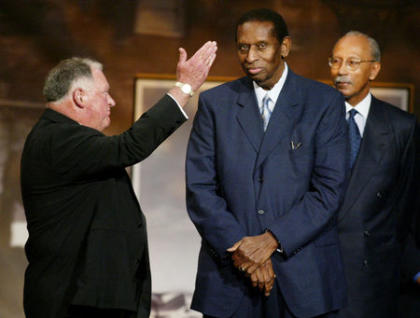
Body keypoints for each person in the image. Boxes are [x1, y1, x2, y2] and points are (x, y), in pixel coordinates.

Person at [20, 41, 217, 318]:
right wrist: (185, 88)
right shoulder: (57, 138)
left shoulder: (62, 138)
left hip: (89, 297)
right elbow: (129, 147)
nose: (111, 101)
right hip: (73, 300)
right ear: (80, 97)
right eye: (105, 93)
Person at [186, 8, 348, 318]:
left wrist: (272, 240)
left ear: (284, 47)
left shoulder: (323, 103)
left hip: (304, 279)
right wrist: (243, 250)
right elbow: (200, 189)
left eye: (262, 46)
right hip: (229, 278)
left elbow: (329, 190)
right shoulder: (215, 104)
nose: (250, 56)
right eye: (243, 46)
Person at [329, 31, 417, 318]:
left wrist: (412, 266)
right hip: (317, 272)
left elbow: (408, 205)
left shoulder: (401, 128)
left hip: (375, 277)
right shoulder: (310, 120)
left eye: (352, 62)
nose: (341, 70)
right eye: (336, 61)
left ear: (374, 69)